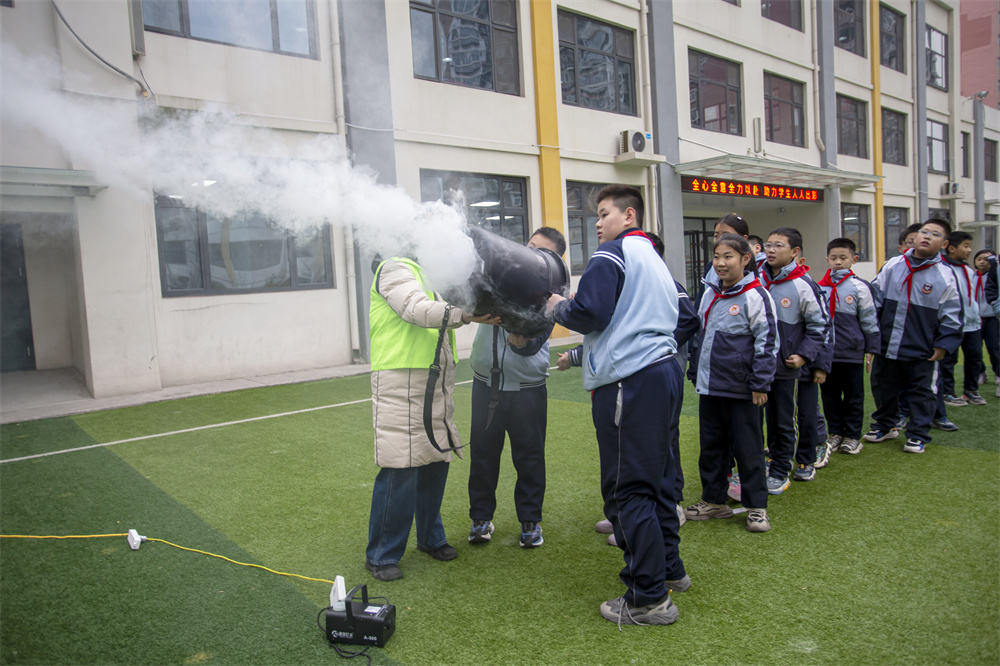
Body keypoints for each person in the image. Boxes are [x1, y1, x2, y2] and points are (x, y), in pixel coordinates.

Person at [548, 184, 687, 626]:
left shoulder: (611, 253)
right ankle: (670, 571)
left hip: (631, 382)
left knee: (628, 490)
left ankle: (648, 598)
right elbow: (683, 318)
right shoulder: (654, 260)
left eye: (604, 213)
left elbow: (588, 313)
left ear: (630, 216)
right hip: (662, 373)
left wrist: (557, 305)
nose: (599, 223)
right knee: (660, 480)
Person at [365, 255, 497, 581]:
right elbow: (416, 309)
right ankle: (381, 554)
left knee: (436, 461)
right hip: (402, 380)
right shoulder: (394, 268)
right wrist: (466, 314)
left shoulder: (425, 272)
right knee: (400, 468)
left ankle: (430, 538)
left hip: (431, 381)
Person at [559, 232, 697, 544]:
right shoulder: (632, 284)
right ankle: (665, 563)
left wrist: (654, 346)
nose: (597, 223)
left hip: (644, 376)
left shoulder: (650, 276)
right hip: (646, 374)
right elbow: (612, 334)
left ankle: (647, 580)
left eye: (605, 214)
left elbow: (688, 319)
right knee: (644, 468)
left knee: (638, 474)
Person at [467, 227, 566, 549]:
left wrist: (519, 337)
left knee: (529, 459)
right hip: (486, 385)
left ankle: (530, 522)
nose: (530, 254)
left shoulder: (551, 299)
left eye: (540, 251)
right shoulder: (496, 276)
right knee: (482, 457)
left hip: (527, 389)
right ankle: (480, 519)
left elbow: (531, 346)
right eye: (529, 247)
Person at [685, 233, 777, 532]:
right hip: (711, 386)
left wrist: (760, 384)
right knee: (712, 446)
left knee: (748, 449)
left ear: (745, 259)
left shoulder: (756, 296)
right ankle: (715, 501)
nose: (721, 263)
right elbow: (700, 337)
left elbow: (768, 343)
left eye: (729, 257)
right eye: (717, 257)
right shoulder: (711, 293)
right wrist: (695, 369)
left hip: (743, 391)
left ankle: (756, 507)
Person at [863, 219, 963, 453]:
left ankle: (918, 434)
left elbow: (952, 314)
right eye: (923, 232)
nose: (927, 236)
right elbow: (875, 300)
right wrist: (872, 336)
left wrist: (943, 344)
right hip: (887, 345)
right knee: (883, 387)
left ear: (944, 244)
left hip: (923, 349)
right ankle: (886, 426)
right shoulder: (893, 265)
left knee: (922, 392)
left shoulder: (945, 275)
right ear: (915, 237)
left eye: (935, 234)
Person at [760, 227, 829, 492]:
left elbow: (820, 325)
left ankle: (782, 469)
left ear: (795, 252)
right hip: (763, 366)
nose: (771, 250)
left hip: (788, 366)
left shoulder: (803, 284)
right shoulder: (758, 279)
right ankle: (775, 460)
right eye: (768, 244)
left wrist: (804, 355)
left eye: (778, 245)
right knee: (769, 418)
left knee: (786, 418)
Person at [816, 238, 880, 461]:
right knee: (830, 395)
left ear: (854, 259)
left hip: (851, 352)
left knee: (853, 396)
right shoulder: (819, 286)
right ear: (827, 260)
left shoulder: (860, 287)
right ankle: (835, 432)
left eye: (843, 258)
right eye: (833, 258)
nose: (838, 262)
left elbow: (870, 320)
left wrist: (870, 348)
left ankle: (852, 436)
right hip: (826, 354)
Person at [940, 231, 986, 406]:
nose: (969, 250)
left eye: (969, 246)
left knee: (975, 357)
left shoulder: (967, 269)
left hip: (972, 323)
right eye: (965, 246)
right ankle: (948, 392)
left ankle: (971, 390)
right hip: (953, 324)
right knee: (949, 359)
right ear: (951, 248)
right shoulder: (943, 269)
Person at [974, 250, 999, 389]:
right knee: (975, 350)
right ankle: (981, 372)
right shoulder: (971, 275)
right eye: (979, 259)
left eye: (986, 259)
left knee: (994, 348)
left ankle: (998, 373)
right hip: (975, 318)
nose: (982, 261)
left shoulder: (996, 276)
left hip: (992, 318)